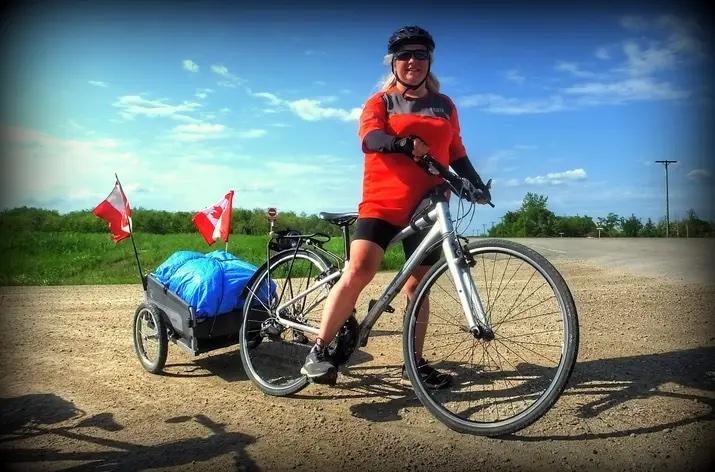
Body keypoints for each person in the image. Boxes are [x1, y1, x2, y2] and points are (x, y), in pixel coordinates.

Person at [301, 25, 491, 388]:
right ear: (393, 63)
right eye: (404, 55)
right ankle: (319, 350)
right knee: (360, 269)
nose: (412, 61)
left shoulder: (445, 105)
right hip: (383, 204)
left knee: (418, 288)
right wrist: (401, 144)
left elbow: (457, 152)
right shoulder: (381, 102)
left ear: (429, 61)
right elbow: (370, 138)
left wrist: (476, 185)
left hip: (429, 207)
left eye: (420, 55)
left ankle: (413, 363)